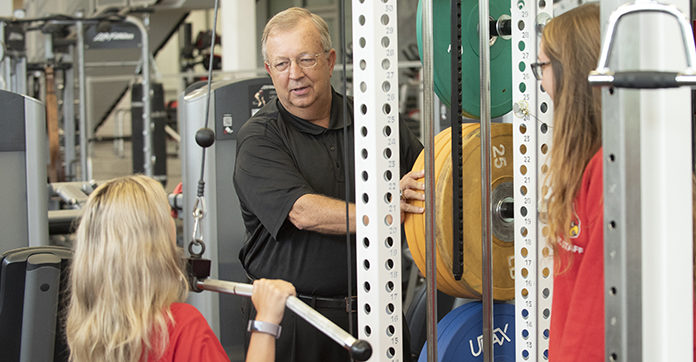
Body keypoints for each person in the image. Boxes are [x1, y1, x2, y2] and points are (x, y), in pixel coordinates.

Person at [233, 7, 425, 362]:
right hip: (296, 322)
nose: (295, 75)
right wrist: (385, 210)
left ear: (330, 59)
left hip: (380, 313)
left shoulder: (376, 120)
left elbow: (427, 178)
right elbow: (303, 212)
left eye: (306, 59)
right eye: (282, 64)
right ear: (269, 71)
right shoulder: (259, 138)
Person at [65, 175, 296, 362]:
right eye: (168, 219)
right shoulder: (179, 327)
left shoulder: (87, 333)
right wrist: (266, 320)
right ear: (154, 244)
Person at [535, 3, 603, 361]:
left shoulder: (607, 173)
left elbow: (597, 311)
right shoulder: (583, 166)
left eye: (542, 66)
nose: (541, 81)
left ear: (572, 72)